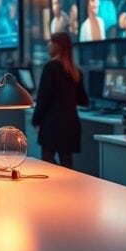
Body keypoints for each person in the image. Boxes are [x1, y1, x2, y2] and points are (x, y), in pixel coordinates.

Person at [32, 32, 89, 168]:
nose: (48, 45)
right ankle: (69, 189)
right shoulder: (76, 72)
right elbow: (83, 100)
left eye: (50, 42)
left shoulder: (50, 67)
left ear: (58, 46)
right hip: (70, 124)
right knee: (67, 163)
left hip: (52, 125)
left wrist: (35, 121)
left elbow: (43, 99)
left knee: (47, 161)